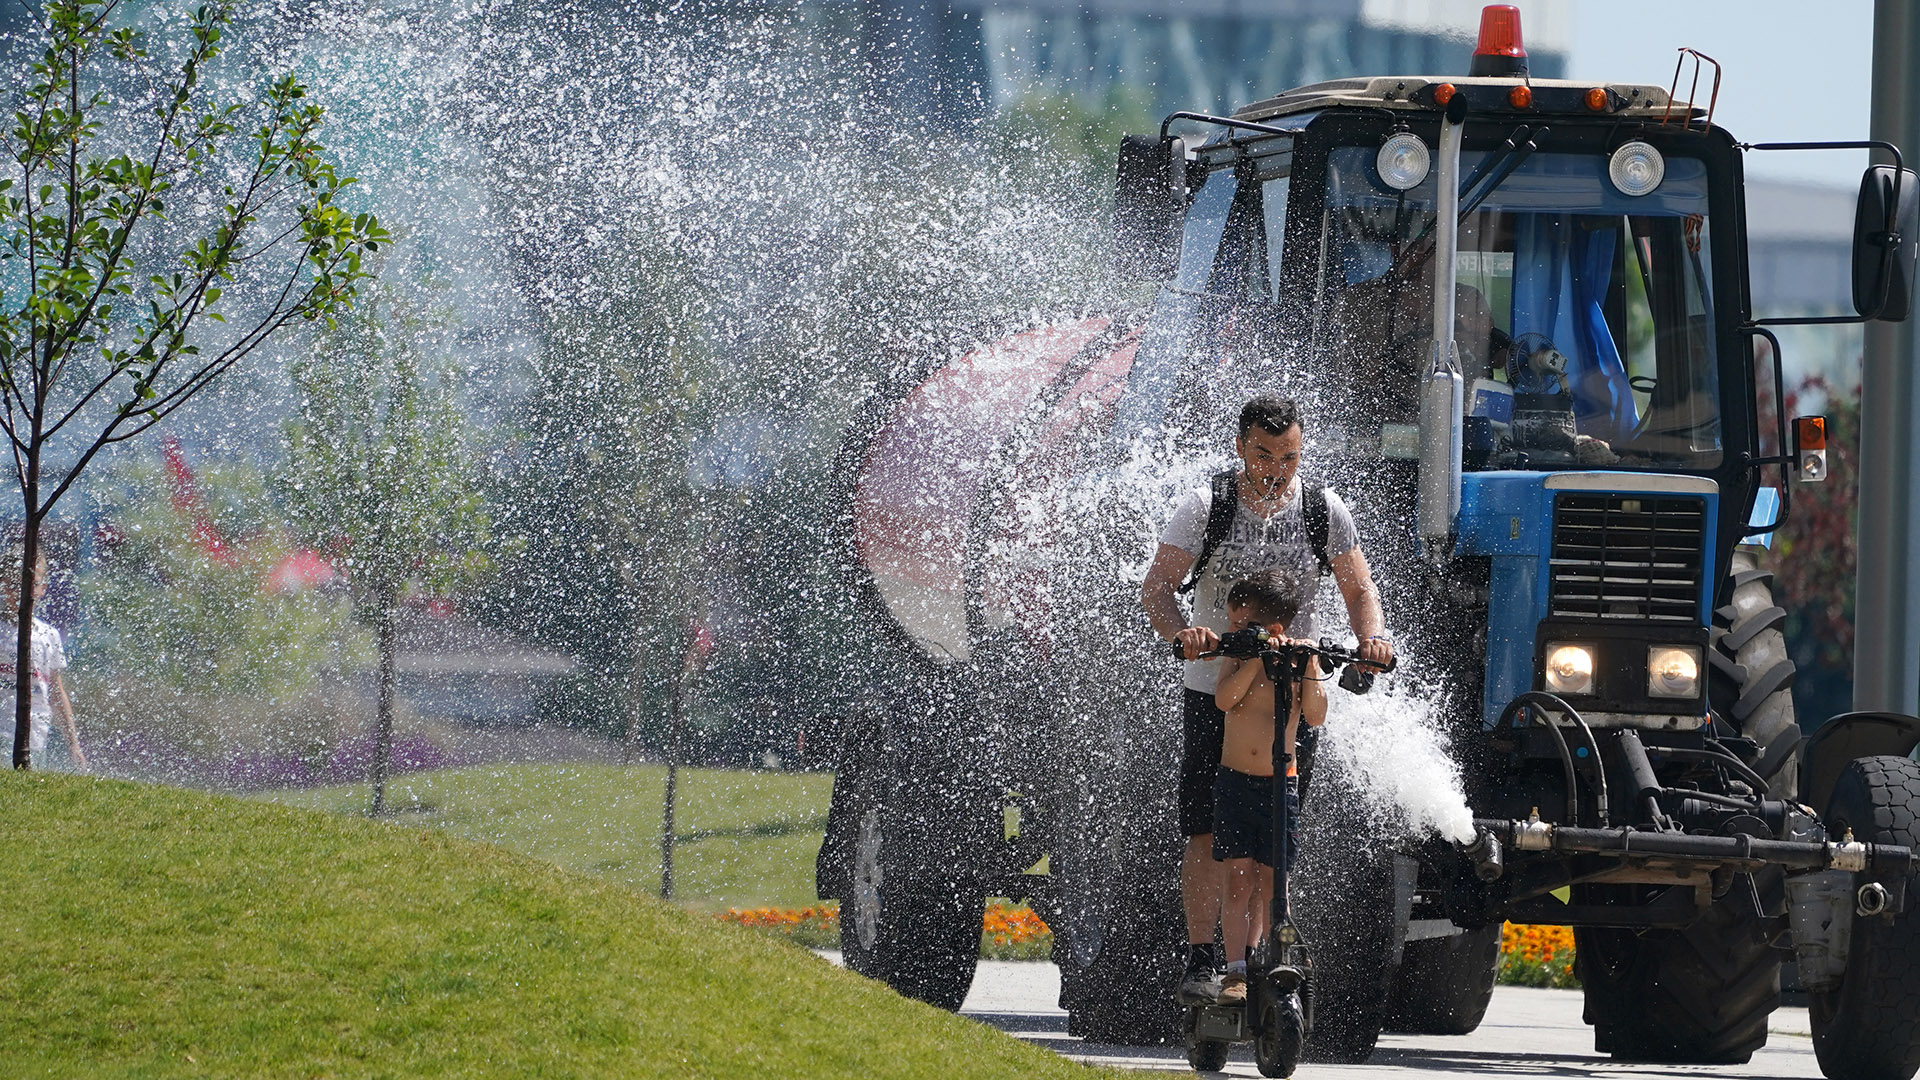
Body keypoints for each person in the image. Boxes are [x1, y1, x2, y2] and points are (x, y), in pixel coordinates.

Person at [1139, 395, 1393, 1004]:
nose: (1277, 468)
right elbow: (1157, 589)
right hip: (1216, 694)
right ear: (1241, 448)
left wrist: (1372, 638)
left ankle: (1256, 957)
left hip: (1287, 693)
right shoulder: (1208, 506)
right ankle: (1205, 960)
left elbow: (1359, 589)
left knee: (1274, 838)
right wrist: (1184, 635)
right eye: (1264, 455)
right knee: (1208, 831)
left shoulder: (1320, 509)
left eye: (1289, 456)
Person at [1209, 574, 1326, 1006]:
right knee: (1237, 880)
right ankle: (1234, 970)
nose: (1234, 633)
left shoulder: (1295, 664)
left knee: (1273, 880)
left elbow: (1314, 717)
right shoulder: (1239, 657)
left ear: (1274, 630)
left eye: (1243, 626)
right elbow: (1224, 700)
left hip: (1281, 786)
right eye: (1234, 624)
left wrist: (1309, 669)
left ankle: (1268, 955)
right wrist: (1254, 660)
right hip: (1236, 783)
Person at [0, 547, 84, 771]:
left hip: (36, 737)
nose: (23, 591)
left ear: (43, 588)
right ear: (3, 585)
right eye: (14, 584)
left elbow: (57, 691)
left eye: (32, 584)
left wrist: (73, 744)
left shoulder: (48, 635)